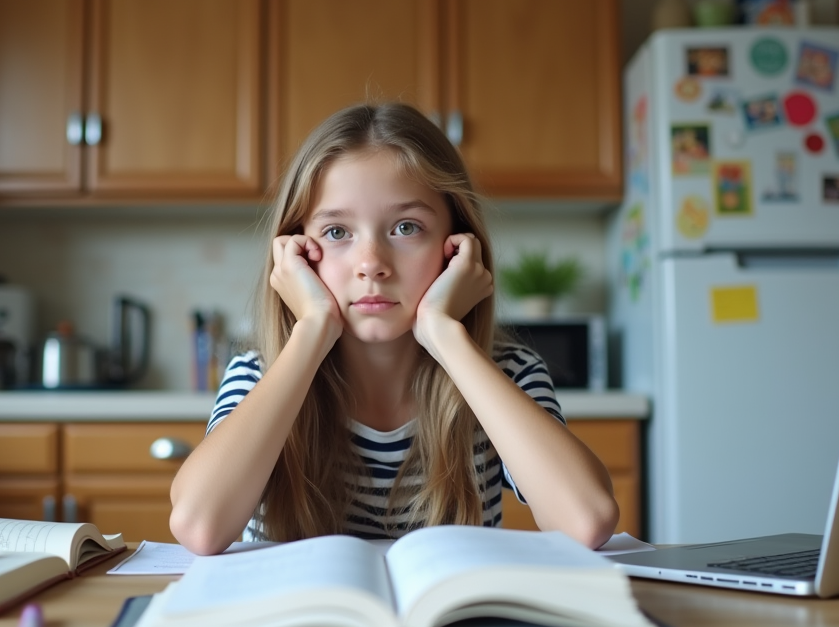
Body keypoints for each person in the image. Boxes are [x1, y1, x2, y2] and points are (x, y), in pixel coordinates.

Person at [169, 103, 618, 555]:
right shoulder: (258, 374)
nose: (372, 265)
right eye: (337, 232)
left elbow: (586, 520)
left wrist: (445, 335)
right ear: (297, 253)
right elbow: (199, 527)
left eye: (406, 227)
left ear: (456, 248)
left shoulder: (509, 373)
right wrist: (312, 329)